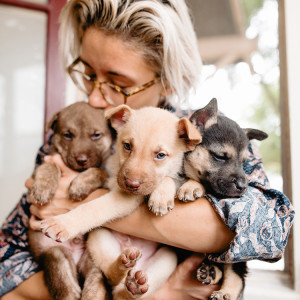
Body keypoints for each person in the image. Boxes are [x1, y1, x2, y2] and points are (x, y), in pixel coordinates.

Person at [0, 0, 294, 299]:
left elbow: (269, 230)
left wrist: (93, 208)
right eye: (88, 74)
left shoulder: (205, 133)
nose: (96, 97)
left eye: (118, 83)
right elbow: (7, 265)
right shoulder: (77, 132)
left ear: (168, 80)